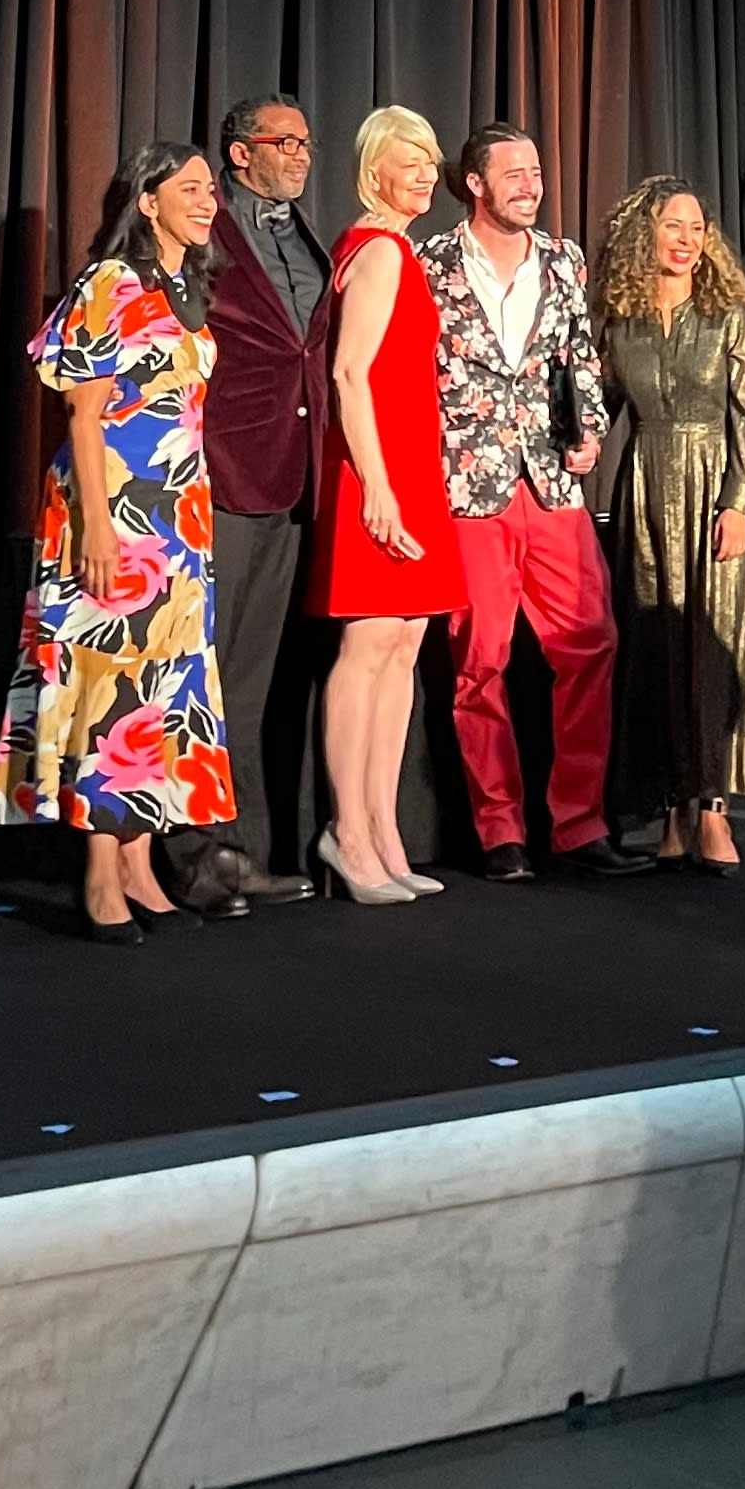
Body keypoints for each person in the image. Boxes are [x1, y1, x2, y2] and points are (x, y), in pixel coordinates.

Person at [0, 141, 235, 942]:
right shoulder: (111, 282)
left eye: (210, 190)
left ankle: (137, 860)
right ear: (147, 201)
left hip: (177, 518)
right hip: (113, 508)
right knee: (106, 685)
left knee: (164, 686)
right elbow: (83, 414)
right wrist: (96, 523)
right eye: (189, 188)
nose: (207, 202)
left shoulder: (184, 288)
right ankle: (98, 873)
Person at [426, 125, 652, 880]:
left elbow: (577, 359)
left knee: (591, 641)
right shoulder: (431, 263)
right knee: (479, 661)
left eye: (537, 171)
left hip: (552, 483)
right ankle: (499, 832)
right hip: (470, 486)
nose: (531, 183)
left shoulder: (562, 260)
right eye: (514, 173)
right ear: (475, 183)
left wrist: (587, 429)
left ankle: (579, 824)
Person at [157, 91, 329, 914]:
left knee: (251, 679)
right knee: (203, 674)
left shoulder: (307, 235)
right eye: (283, 142)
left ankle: (242, 851)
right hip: (221, 472)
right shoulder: (205, 230)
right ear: (240, 154)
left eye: (304, 143)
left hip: (293, 480)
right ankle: (191, 858)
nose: (299, 154)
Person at [303, 103, 464, 904]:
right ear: (375, 171)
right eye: (412, 160)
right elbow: (347, 375)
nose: (426, 174)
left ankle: (384, 829)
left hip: (412, 470)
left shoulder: (396, 249)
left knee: (404, 650)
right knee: (367, 651)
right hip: (381, 473)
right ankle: (348, 833)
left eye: (432, 160)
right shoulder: (377, 251)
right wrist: (377, 489)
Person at [593, 175, 745, 868]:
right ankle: (672, 806)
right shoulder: (622, 320)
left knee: (712, 653)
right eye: (674, 225)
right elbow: (600, 407)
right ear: (647, 233)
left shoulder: (726, 315)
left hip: (715, 491)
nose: (687, 240)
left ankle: (715, 809)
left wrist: (736, 501)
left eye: (697, 228)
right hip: (646, 490)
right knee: (655, 654)